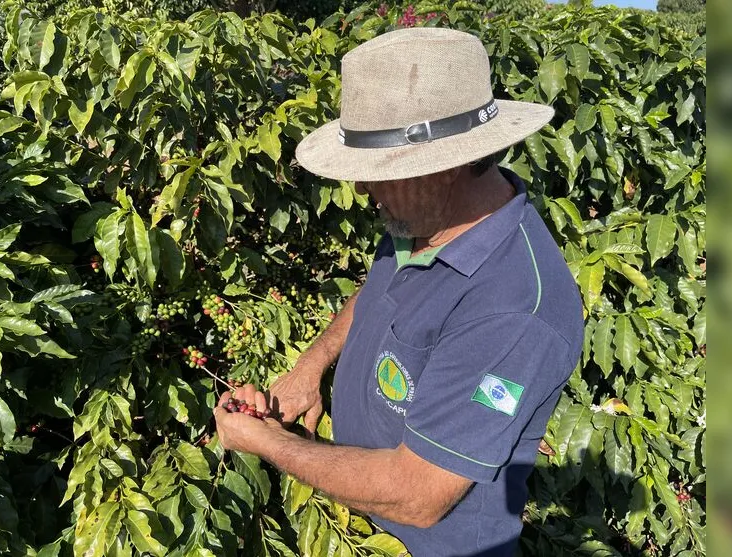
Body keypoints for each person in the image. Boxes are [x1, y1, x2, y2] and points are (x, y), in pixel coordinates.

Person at [213, 28, 584, 556]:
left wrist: (270, 442)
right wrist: (312, 365)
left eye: (381, 174)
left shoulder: (514, 307)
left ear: (451, 164)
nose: (362, 189)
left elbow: (418, 495)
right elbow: (380, 290)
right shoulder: (422, 220)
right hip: (366, 527)